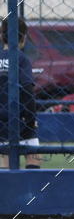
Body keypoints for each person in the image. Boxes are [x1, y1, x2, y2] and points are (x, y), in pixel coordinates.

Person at [0, 16, 41, 169]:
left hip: (2, 119)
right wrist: (31, 120)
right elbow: (27, 90)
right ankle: (32, 191)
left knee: (6, 158)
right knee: (33, 156)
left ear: (1, 35)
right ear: (23, 37)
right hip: (21, 117)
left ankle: (8, 192)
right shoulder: (21, 59)